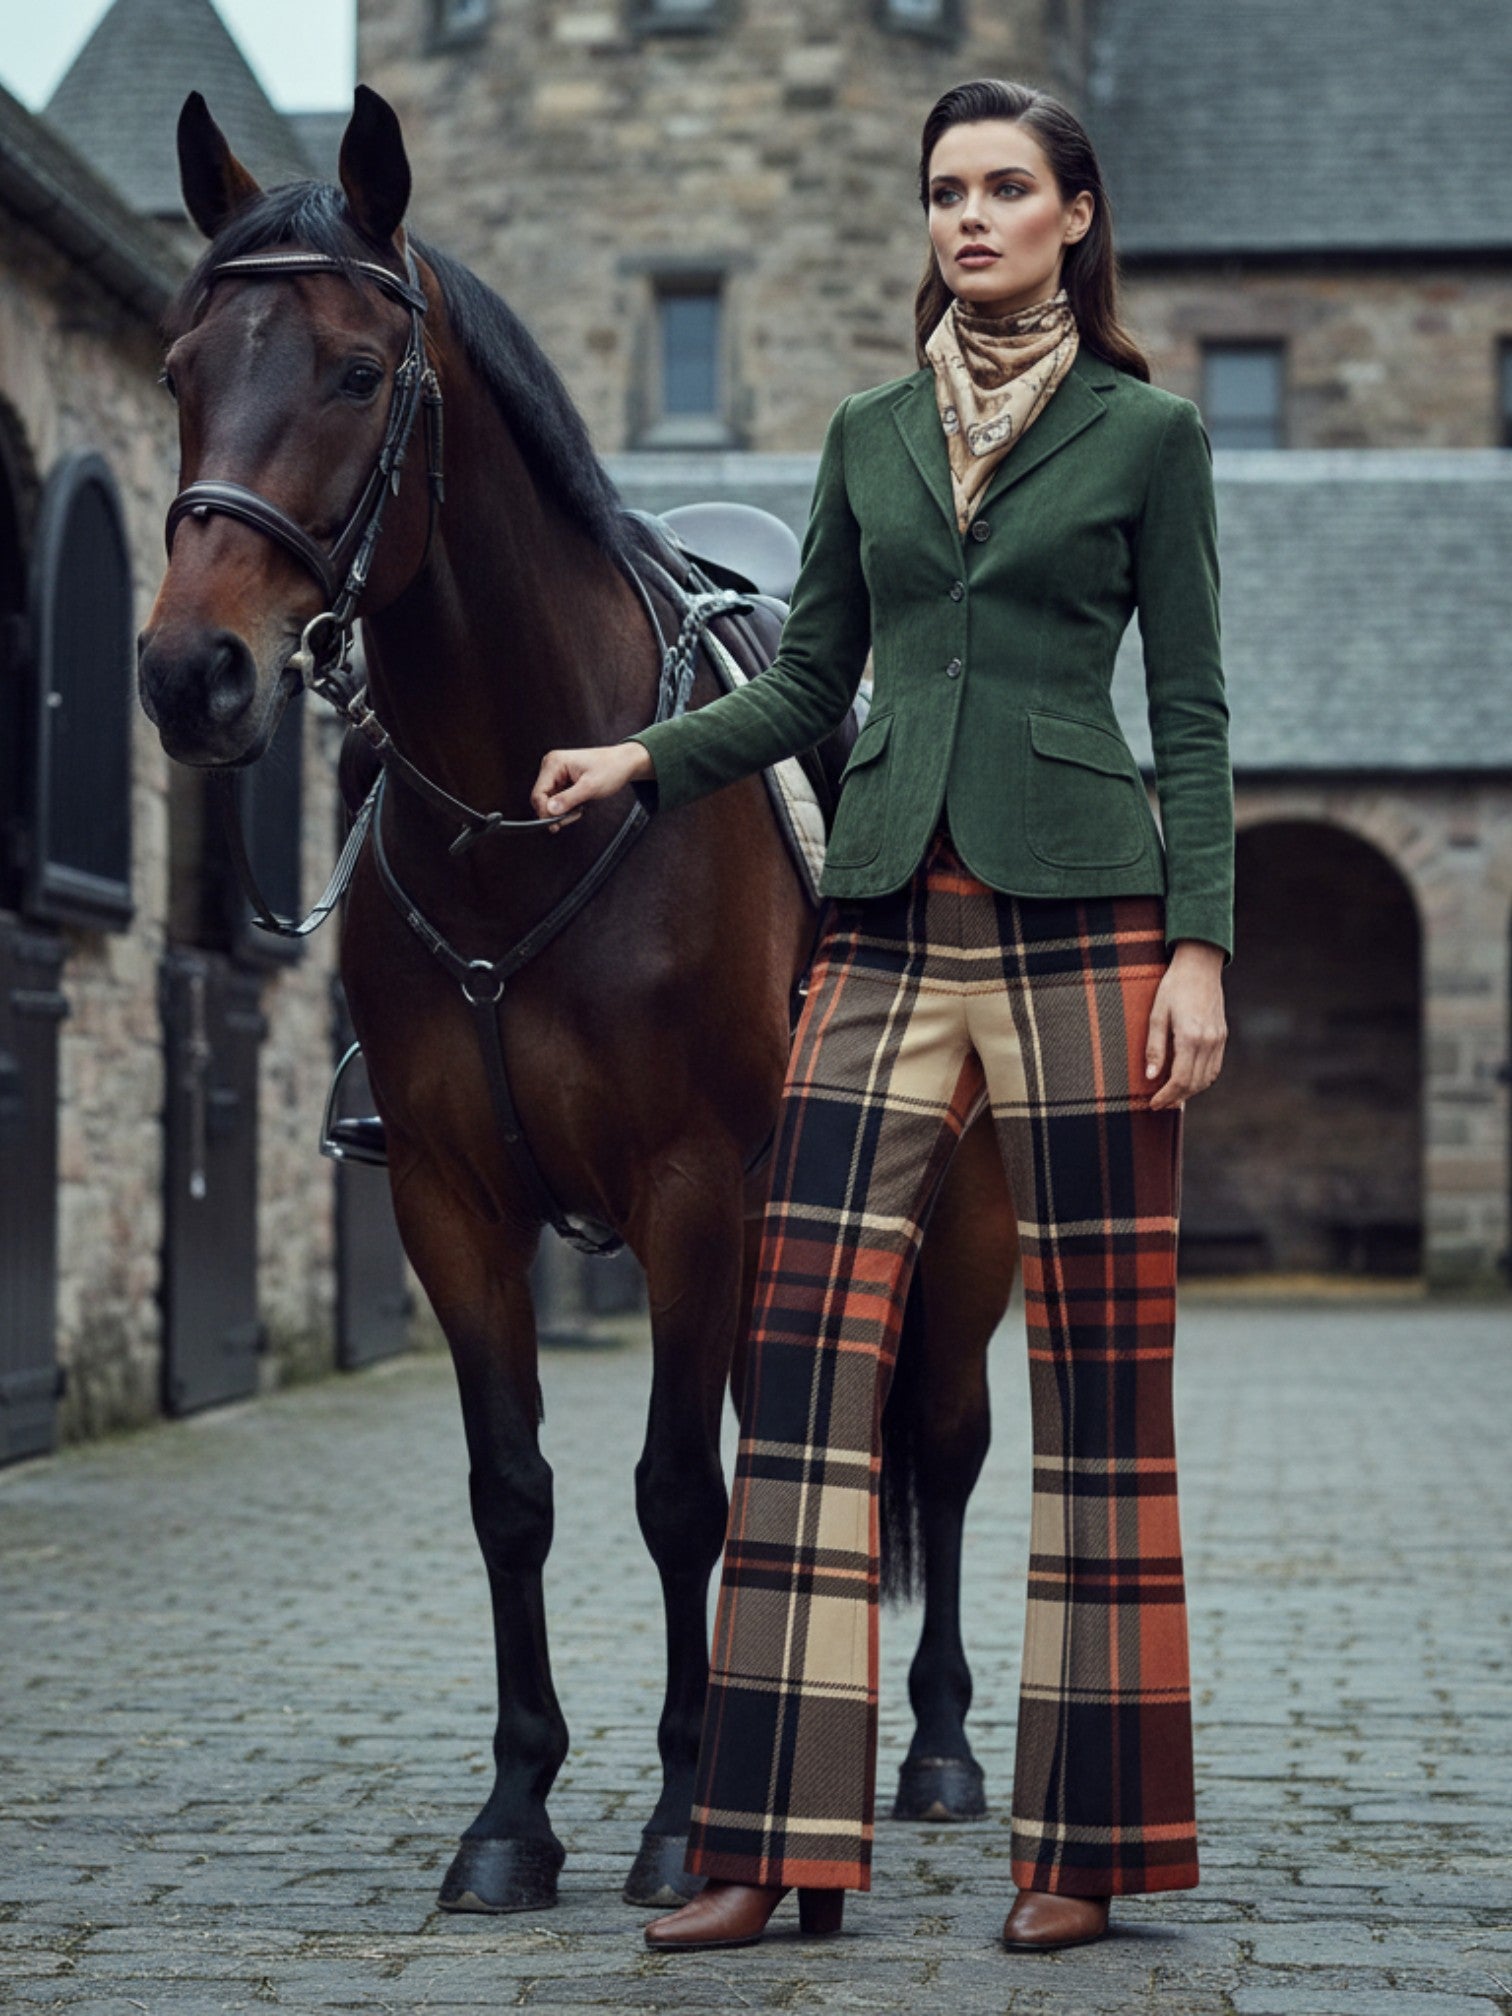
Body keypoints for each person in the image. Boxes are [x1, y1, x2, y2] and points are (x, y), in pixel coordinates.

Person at [530, 76, 1232, 1958]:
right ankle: (773, 1844)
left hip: (1090, 914)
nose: (973, 217)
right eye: (947, 191)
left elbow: (1196, 711)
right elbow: (809, 682)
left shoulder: (1150, 435)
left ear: (1078, 214)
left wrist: (1203, 947)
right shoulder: (864, 431)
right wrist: (641, 755)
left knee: (1099, 1389)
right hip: (883, 915)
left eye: (1009, 187)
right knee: (805, 1379)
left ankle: (1079, 1847)